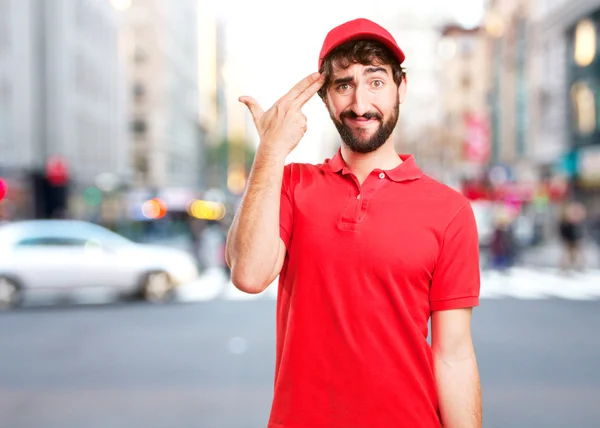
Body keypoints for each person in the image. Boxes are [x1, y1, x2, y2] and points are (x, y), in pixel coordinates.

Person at [226, 18, 481, 428]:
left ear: (402, 87)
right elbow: (249, 275)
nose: (360, 104)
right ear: (326, 97)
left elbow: (454, 354)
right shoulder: (291, 184)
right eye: (344, 85)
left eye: (376, 82)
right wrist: (270, 151)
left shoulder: (449, 210)